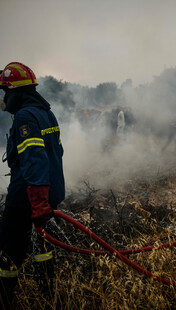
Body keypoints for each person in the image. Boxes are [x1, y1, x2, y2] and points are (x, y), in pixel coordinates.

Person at [0, 62, 65, 308]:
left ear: (16, 93)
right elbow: (57, 151)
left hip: (27, 195)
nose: (4, 98)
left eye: (6, 92)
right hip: (50, 193)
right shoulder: (45, 112)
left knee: (9, 248)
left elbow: (35, 160)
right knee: (43, 247)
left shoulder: (26, 116)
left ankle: (5, 297)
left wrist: (37, 201)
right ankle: (48, 294)